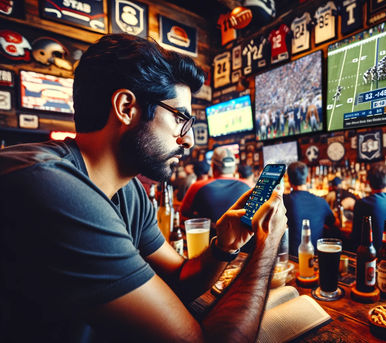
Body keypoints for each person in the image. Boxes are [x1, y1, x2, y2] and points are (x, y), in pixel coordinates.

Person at [0, 34, 288, 342]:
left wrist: (223, 246)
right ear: (126, 107)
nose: (188, 140)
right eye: (180, 118)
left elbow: (179, 277)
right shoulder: (50, 186)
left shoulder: (128, 190)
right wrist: (266, 247)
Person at [181, 146, 251, 223]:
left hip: (207, 234)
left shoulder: (197, 187)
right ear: (235, 168)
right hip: (241, 234)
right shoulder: (249, 186)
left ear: (213, 166)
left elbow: (183, 217)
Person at [283, 161, 338, 257]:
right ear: (308, 179)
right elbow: (335, 223)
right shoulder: (321, 202)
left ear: (289, 181)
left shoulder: (284, 200)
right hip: (316, 259)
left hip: (292, 258)